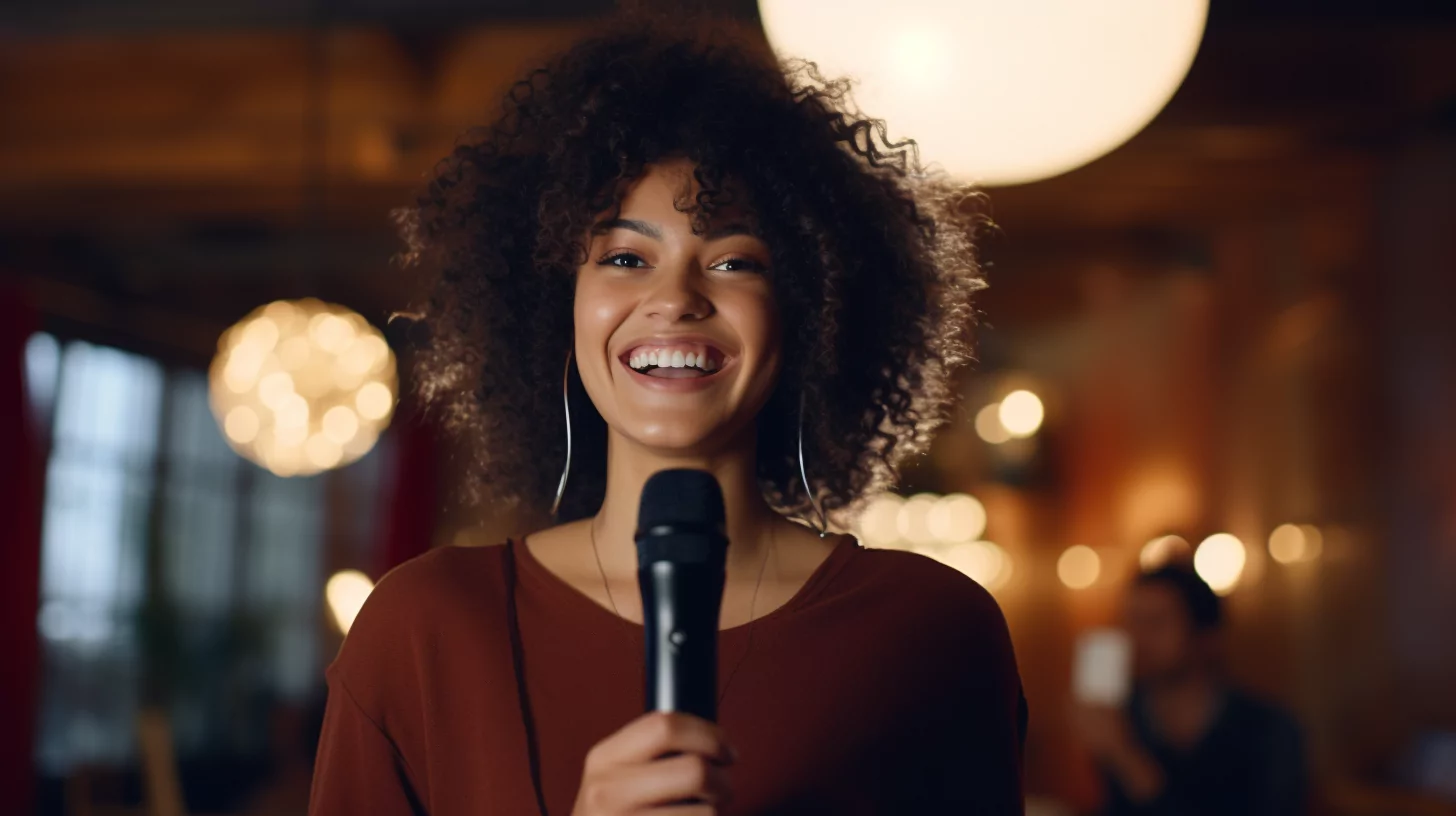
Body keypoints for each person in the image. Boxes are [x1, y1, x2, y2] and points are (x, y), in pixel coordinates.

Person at [308, 14, 1025, 816]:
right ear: (556, 305)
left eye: (732, 262)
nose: (676, 299)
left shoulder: (933, 631)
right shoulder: (422, 629)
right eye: (624, 258)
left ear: (811, 311)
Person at [1073, 566, 1306, 815]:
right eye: (1132, 622)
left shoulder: (1268, 730)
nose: (1138, 638)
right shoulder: (1125, 716)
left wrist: (1126, 758)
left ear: (1205, 635)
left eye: (1156, 623)